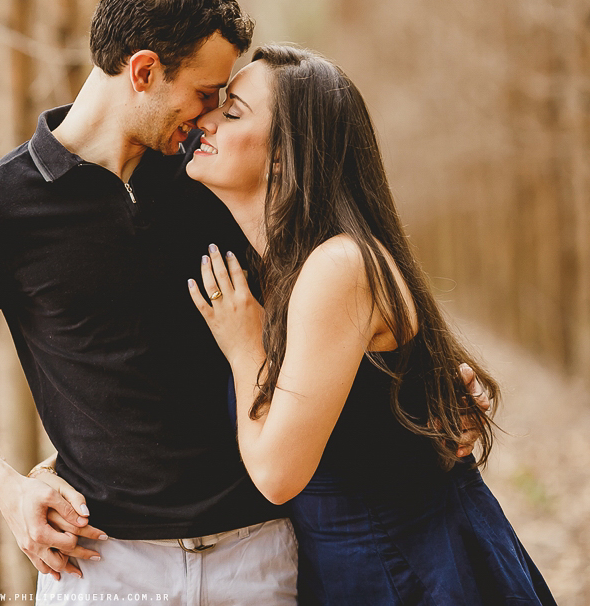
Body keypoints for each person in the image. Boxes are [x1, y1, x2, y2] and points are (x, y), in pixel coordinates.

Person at [0, 0, 300, 603]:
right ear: (144, 70)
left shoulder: (216, 176)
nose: (212, 117)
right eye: (206, 94)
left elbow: (325, 287)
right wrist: (8, 486)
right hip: (102, 567)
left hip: (256, 553)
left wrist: (425, 372)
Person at [185, 43, 556, 604]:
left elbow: (277, 474)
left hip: (411, 572)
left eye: (232, 111)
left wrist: (245, 348)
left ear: (286, 155)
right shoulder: (272, 268)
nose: (203, 120)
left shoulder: (337, 266)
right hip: (348, 571)